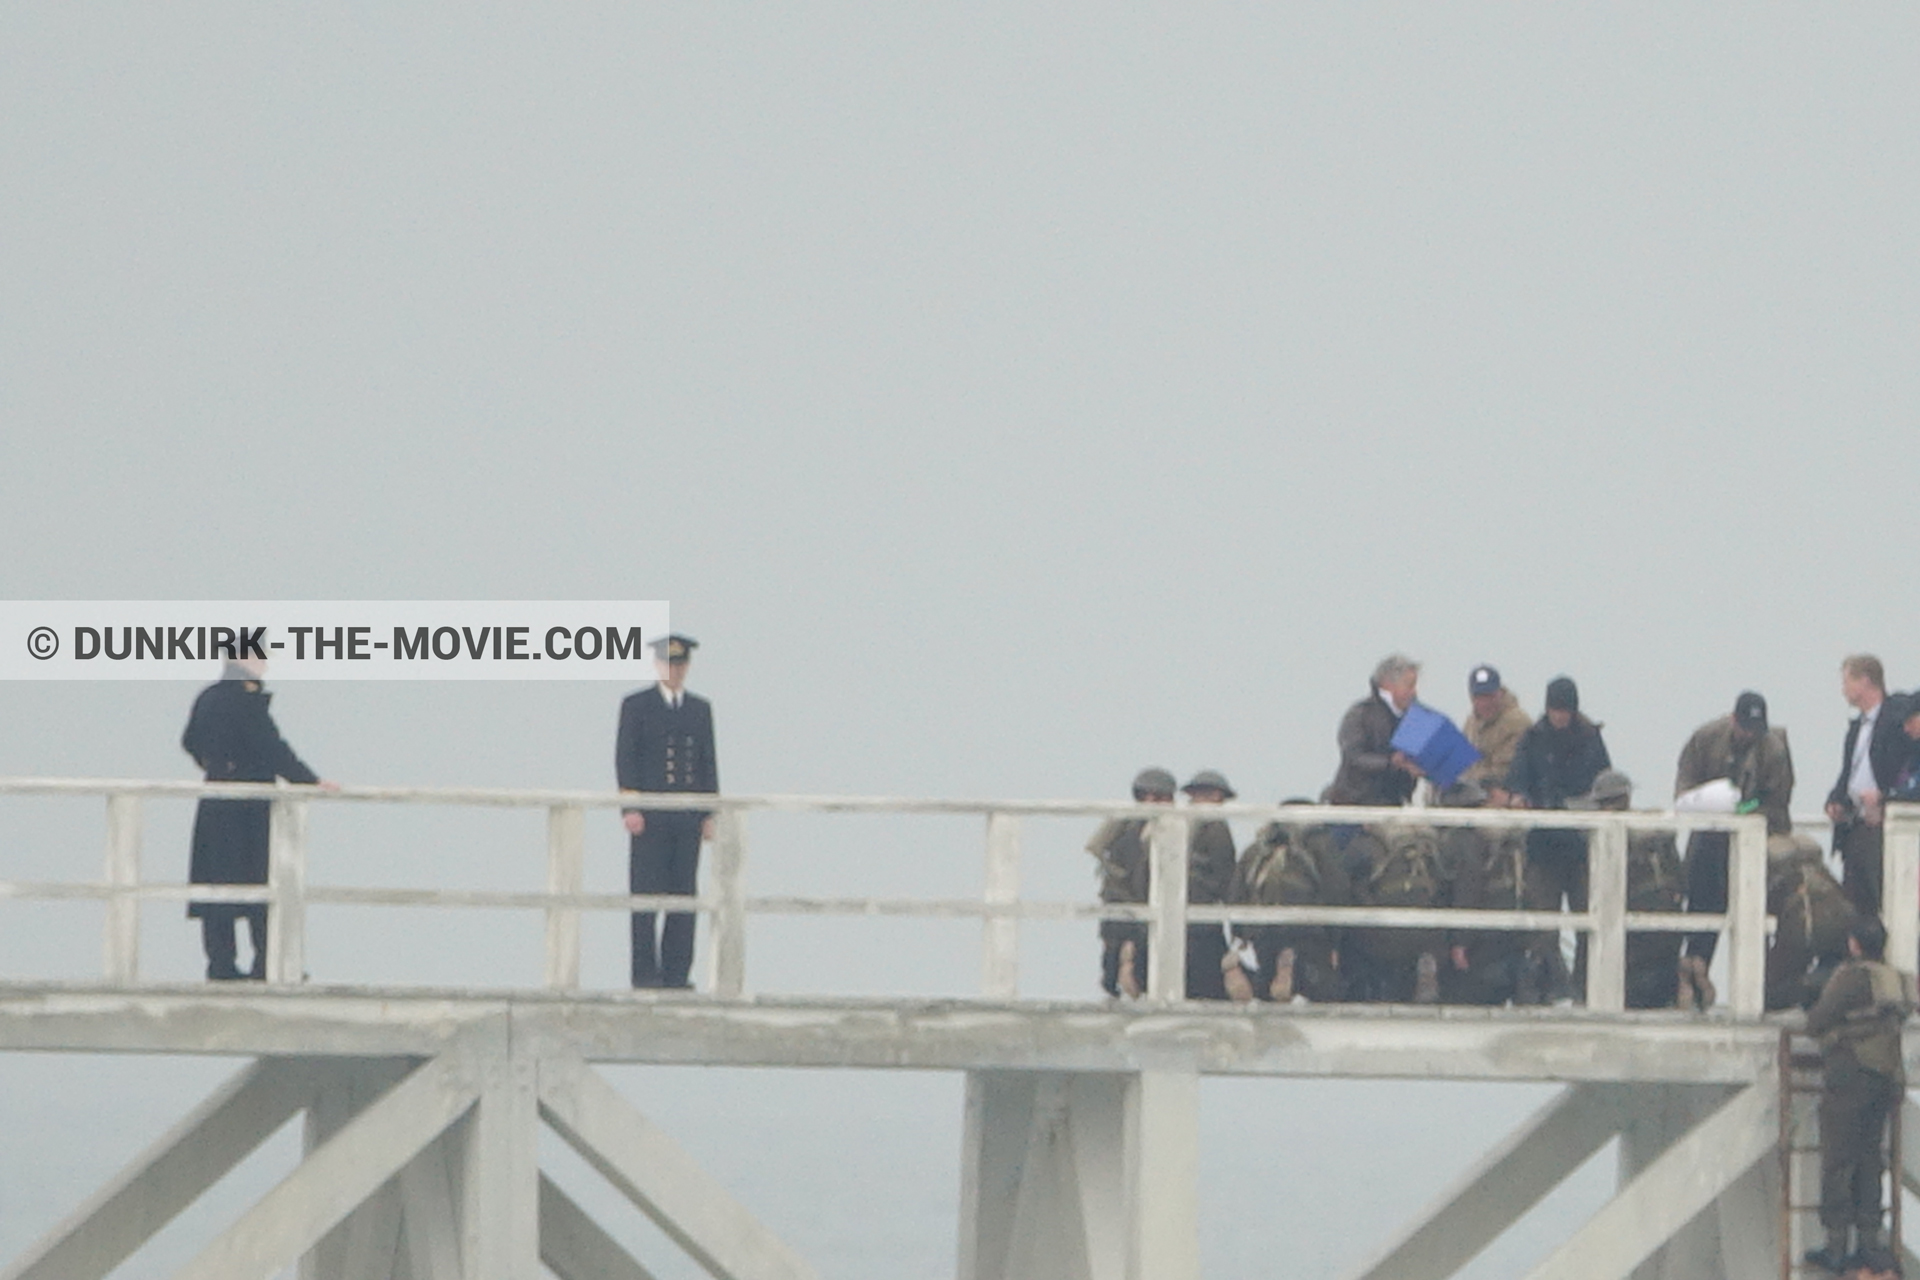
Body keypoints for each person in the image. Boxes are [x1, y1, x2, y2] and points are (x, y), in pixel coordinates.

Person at [181, 653, 335, 981]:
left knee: (217, 886)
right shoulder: (244, 701)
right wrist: (310, 780)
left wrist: (215, 764)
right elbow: (272, 748)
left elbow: (189, 741)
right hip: (248, 808)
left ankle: (221, 966)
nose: (264, 661)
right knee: (261, 881)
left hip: (215, 799)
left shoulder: (209, 697)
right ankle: (267, 964)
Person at [1803, 916, 1911, 1274]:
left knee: (1838, 1160)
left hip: (1850, 1077)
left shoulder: (1852, 978)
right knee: (1869, 1159)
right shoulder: (1895, 979)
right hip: (1886, 1079)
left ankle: (1836, 1245)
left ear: (1853, 944)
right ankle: (1869, 1242)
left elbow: (1816, 1021)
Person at [1672, 691, 1795, 1002]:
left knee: (1755, 912)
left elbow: (1778, 805)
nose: (1750, 735)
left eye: (1756, 729)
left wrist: (1744, 809)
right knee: (1702, 904)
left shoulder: (1774, 749)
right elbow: (1683, 790)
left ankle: (1761, 990)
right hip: (1709, 838)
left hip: (1756, 844)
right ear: (1733, 720)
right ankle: (1694, 971)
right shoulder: (1705, 739)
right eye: (1745, 728)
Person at [615, 634, 719, 990]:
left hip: (686, 818)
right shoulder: (637, 705)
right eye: (669, 664)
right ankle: (645, 975)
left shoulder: (699, 709)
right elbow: (625, 759)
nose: (675, 671)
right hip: (650, 819)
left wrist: (709, 812)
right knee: (645, 898)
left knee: (682, 898)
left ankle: (677, 975)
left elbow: (707, 762)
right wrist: (630, 806)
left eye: (680, 664)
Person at [1504, 676, 1611, 996]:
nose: (1560, 716)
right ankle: (1545, 991)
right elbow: (1517, 782)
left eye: (1566, 710)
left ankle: (1585, 990)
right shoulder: (1532, 739)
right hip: (1544, 847)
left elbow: (1605, 784)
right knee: (1542, 928)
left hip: (1580, 847)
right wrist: (1520, 798)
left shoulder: (1591, 738)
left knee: (1588, 922)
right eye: (1555, 709)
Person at [1566, 770, 1685, 1009]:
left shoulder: (1607, 837)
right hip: (1662, 931)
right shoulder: (1658, 836)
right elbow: (1679, 880)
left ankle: (1584, 996)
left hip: (1634, 933)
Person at [1435, 780, 1554, 1006]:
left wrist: (1461, 942)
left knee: (1469, 999)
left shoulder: (1464, 838)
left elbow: (1467, 889)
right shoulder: (1507, 835)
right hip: (1512, 928)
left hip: (1480, 937)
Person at [1228, 800, 1352, 1003]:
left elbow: (1236, 893)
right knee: (1318, 991)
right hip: (1308, 931)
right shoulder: (1320, 844)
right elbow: (1338, 889)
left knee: (1267, 986)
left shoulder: (1256, 849)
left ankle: (1257, 978)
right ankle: (1292, 980)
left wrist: (1240, 933)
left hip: (1263, 929)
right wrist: (1335, 938)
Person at [1827, 657, 1911, 916]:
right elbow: (1848, 774)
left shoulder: (1896, 720)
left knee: (1882, 898)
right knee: (1853, 900)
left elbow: (1906, 769)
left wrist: (1885, 798)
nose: (1843, 689)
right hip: (1855, 825)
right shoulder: (1856, 729)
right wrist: (1834, 800)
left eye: (1847, 681)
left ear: (1865, 681)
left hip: (1881, 825)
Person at [1086, 767, 1175, 998]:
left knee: (1143, 963)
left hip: (1145, 903)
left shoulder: (1173, 828)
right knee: (1114, 964)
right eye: (1145, 796)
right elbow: (1098, 850)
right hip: (1122, 901)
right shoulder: (1126, 826)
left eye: (1158, 796)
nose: (1150, 801)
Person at [1763, 833, 1855, 1012]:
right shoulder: (1818, 867)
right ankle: (1821, 994)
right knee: (1834, 966)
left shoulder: (1774, 865)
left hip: (1802, 920)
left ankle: (1808, 992)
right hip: (1841, 918)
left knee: (1770, 993)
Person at [1326, 654, 1423, 807]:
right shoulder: (1360, 714)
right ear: (1387, 685)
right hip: (1355, 805)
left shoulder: (1413, 721)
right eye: (1409, 685)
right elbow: (1354, 757)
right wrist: (1391, 763)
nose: (1414, 692)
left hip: (1394, 805)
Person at [1179, 770, 1239, 1001]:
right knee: (1208, 975)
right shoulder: (1215, 827)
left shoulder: (1181, 823)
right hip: (1203, 913)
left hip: (1187, 909)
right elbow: (1225, 874)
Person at [1459, 665, 1531, 803]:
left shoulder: (1517, 722)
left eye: (1489, 696)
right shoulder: (1471, 722)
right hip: (1475, 794)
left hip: (1505, 799)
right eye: (1478, 697)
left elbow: (1503, 771)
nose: (1484, 703)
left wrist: (1470, 776)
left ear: (1499, 693)